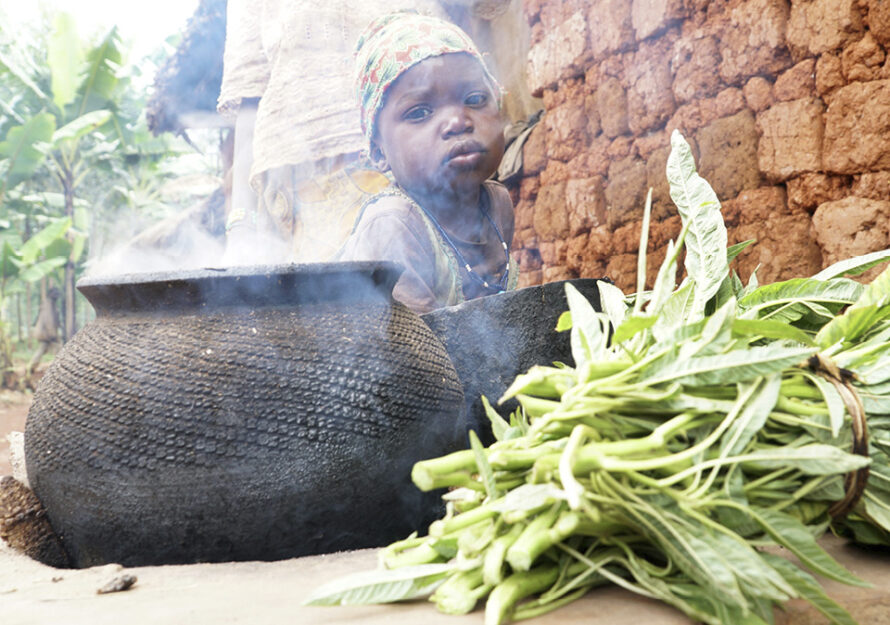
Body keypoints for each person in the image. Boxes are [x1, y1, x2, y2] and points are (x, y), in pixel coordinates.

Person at [338, 12, 518, 313]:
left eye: (474, 99)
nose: (457, 121)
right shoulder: (394, 224)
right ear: (379, 152)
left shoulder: (497, 204)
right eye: (420, 112)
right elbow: (418, 349)